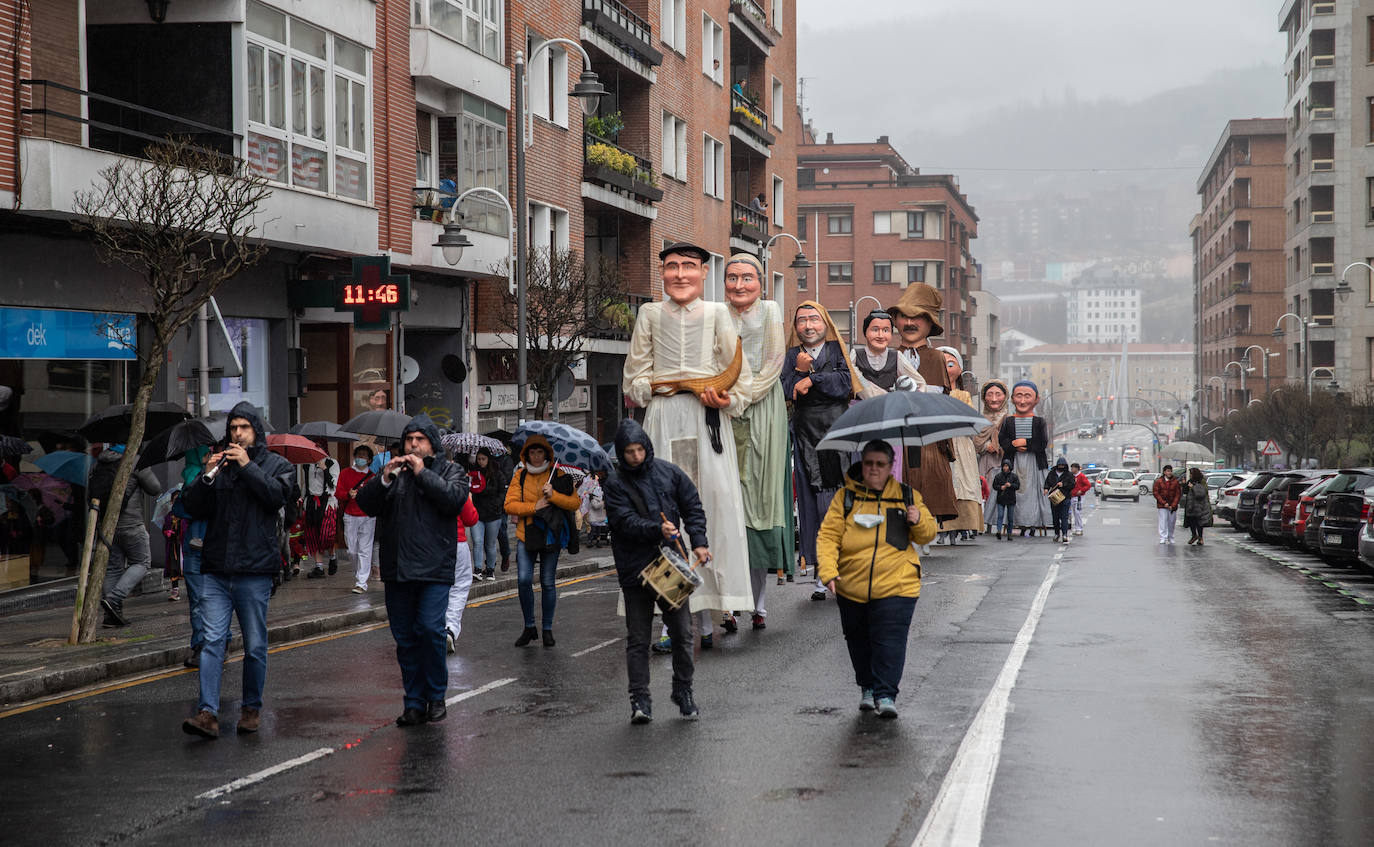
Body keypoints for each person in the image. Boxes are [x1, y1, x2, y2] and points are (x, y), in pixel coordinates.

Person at [622, 241, 753, 648]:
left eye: (689, 267)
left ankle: (710, 618)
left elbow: (741, 380)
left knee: (710, 509)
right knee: (662, 515)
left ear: (703, 273)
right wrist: (655, 386)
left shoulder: (718, 314)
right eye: (673, 266)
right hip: (662, 420)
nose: (680, 274)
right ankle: (670, 623)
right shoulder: (649, 313)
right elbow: (633, 379)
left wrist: (724, 398)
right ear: (662, 273)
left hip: (705, 419)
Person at [180, 402, 295, 739]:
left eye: (244, 427)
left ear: (256, 431)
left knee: (255, 645)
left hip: (255, 571)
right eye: (233, 428)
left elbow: (276, 498)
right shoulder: (220, 467)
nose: (238, 434)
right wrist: (205, 476)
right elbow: (192, 507)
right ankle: (207, 713)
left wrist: (246, 467)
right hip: (216, 569)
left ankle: (251, 709)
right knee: (213, 641)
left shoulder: (277, 465)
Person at [356, 413, 468, 726]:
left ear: (432, 442)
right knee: (405, 639)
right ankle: (414, 702)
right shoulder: (394, 473)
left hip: (434, 569)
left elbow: (453, 500)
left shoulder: (451, 470)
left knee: (431, 631)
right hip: (398, 570)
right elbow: (365, 504)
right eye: (409, 439)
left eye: (420, 439)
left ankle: (435, 696)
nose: (413, 445)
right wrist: (384, 479)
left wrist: (422, 474)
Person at [816, 440, 938, 719]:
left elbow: (927, 534)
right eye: (869, 463)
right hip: (851, 585)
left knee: (889, 640)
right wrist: (828, 571)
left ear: (890, 467)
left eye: (880, 464)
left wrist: (917, 519)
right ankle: (867, 688)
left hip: (898, 583)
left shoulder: (908, 496)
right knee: (858, 640)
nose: (873, 469)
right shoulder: (845, 497)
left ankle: (886, 693)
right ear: (862, 462)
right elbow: (828, 537)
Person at [604, 420, 708, 723]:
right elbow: (623, 522)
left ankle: (683, 691)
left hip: (671, 565)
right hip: (635, 569)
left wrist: (699, 542)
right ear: (621, 454)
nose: (635, 456)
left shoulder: (668, 471)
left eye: (639, 450)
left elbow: (693, 507)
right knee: (638, 638)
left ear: (646, 447)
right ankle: (640, 700)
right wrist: (657, 530)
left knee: (682, 634)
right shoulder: (614, 483)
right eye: (629, 452)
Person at [724, 253, 795, 628]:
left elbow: (774, 361)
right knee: (728, 499)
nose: (739, 285)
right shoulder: (716, 313)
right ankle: (731, 603)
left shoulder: (770, 309)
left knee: (762, 498)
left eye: (747, 278)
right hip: (725, 409)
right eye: (732, 278)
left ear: (761, 282)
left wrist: (745, 396)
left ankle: (760, 603)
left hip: (764, 407)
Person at [783, 300, 862, 601]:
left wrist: (810, 377)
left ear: (825, 323)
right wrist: (798, 374)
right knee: (815, 504)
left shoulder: (835, 351)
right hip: (806, 435)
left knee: (841, 502)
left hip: (837, 430)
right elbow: (784, 387)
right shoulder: (791, 355)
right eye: (801, 320)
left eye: (814, 319)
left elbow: (845, 384)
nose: (808, 325)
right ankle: (821, 572)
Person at [888, 283, 958, 530]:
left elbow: (939, 397)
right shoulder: (888, 355)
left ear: (930, 324)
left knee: (926, 480)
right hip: (894, 436)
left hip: (926, 438)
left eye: (917, 317)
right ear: (895, 321)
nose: (909, 323)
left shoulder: (937, 357)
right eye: (904, 316)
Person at [504, 434, 581, 647]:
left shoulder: (559, 474)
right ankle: (529, 627)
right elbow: (509, 505)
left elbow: (575, 503)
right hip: (525, 534)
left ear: (546, 454)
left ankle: (547, 629)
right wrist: (533, 507)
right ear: (526, 454)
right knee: (523, 580)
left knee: (548, 583)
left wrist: (553, 495)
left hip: (550, 535)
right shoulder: (519, 475)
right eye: (532, 452)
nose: (536, 457)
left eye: (540, 452)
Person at [89, 443, 163, 627]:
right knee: (141, 562)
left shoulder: (99, 463)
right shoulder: (135, 461)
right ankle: (114, 599)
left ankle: (111, 617)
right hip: (131, 525)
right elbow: (155, 488)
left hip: (106, 526)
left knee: (113, 569)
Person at [936, 347, 983, 544]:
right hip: (938, 441)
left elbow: (970, 418)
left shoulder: (963, 394)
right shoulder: (932, 392)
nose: (946, 368)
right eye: (941, 363)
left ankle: (959, 527)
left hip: (960, 443)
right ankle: (940, 528)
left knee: (963, 483)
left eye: (950, 363)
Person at [997, 381, 1052, 537]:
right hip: (1013, 462)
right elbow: (1003, 440)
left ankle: (1033, 522)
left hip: (1034, 464)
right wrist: (1013, 445)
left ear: (1036, 399)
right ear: (1012, 399)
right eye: (1018, 396)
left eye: (1027, 396)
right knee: (1013, 494)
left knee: (1033, 494)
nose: (1022, 401)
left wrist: (1026, 443)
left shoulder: (1039, 421)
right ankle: (1013, 521)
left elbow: (1042, 442)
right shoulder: (1008, 421)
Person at [849, 309, 925, 400]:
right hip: (862, 406)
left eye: (886, 331)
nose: (880, 335)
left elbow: (920, 383)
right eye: (875, 330)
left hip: (887, 404)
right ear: (866, 332)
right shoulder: (856, 354)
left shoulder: (896, 356)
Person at [335, 444, 377, 594]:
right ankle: (359, 574)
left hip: (368, 516)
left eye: (364, 455)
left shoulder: (373, 477)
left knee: (365, 550)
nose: (361, 458)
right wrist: (348, 494)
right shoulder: (346, 473)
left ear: (370, 459)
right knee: (352, 551)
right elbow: (338, 493)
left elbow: (377, 497)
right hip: (350, 516)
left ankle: (361, 582)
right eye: (358, 455)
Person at [446, 492, 480, 654]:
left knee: (434, 587)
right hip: (456, 542)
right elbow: (470, 518)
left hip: (426, 546)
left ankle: (433, 627)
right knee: (459, 588)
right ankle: (450, 628)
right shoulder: (456, 484)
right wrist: (470, 500)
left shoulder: (417, 480)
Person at [974, 381, 1009, 532]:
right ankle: (985, 522)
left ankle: (1004, 521)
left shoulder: (1009, 418)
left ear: (1005, 396)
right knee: (984, 491)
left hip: (1003, 462)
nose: (994, 399)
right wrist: (984, 445)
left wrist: (1002, 446)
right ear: (984, 397)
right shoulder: (979, 419)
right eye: (990, 394)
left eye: (998, 394)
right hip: (986, 462)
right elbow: (975, 439)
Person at [469, 447, 507, 580]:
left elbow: (502, 492)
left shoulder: (497, 473)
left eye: (483, 459)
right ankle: (478, 569)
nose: (480, 462)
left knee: (490, 544)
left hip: (493, 514)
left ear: (488, 459)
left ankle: (490, 569)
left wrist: (497, 504)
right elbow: (470, 489)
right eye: (478, 459)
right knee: (477, 542)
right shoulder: (473, 472)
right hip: (478, 513)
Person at [302, 454, 339, 579]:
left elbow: (333, 485)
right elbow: (306, 484)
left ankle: (333, 556)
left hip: (327, 502)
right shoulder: (307, 464)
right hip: (311, 503)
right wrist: (302, 499)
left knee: (327, 535)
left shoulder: (332, 463)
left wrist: (325, 469)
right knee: (314, 535)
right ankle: (319, 567)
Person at [161, 490, 187, 601]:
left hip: (184, 545)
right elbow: (165, 528)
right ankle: (175, 591)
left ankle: (191, 590)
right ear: (171, 502)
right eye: (174, 500)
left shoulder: (186, 514)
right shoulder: (169, 516)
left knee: (186, 567)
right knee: (173, 567)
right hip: (173, 546)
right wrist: (167, 532)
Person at [1044, 457, 1075, 544]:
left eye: (1063, 465)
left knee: (1064, 517)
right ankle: (1057, 533)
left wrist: (1063, 484)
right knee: (1055, 517)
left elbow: (1072, 484)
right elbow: (1047, 483)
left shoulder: (1069, 475)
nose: (1061, 467)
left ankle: (1064, 534)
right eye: (1059, 465)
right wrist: (1046, 489)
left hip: (1065, 498)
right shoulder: (1052, 473)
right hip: (1054, 498)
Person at [1182, 467, 1213, 546]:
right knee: (1191, 521)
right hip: (1191, 506)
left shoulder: (1202, 481)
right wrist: (1184, 484)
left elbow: (1201, 493)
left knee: (1199, 523)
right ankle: (1194, 535)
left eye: (1191, 474)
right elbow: (1185, 491)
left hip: (1200, 506)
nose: (1190, 475)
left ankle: (1200, 537)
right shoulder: (1191, 481)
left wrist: (1193, 487)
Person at [1152, 465, 1182, 545]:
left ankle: (1171, 537)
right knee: (1163, 521)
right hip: (1162, 505)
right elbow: (1156, 493)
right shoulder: (1159, 481)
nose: (1169, 473)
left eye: (1170, 471)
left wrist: (1173, 505)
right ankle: (1163, 537)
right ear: (1164, 472)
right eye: (1168, 471)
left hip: (1172, 506)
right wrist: (1164, 503)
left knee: (1171, 522)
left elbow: (1178, 494)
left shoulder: (1175, 481)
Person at [991, 459, 1018, 539]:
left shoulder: (1014, 476)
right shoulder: (998, 476)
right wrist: (1000, 487)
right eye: (1004, 466)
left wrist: (1010, 485)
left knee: (1010, 517)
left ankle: (1009, 533)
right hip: (1001, 498)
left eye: (1006, 466)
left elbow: (1018, 485)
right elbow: (994, 486)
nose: (1005, 468)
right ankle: (999, 531)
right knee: (1000, 515)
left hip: (1011, 499)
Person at [1069, 462, 1091, 536]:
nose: (1072, 469)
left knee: (1078, 512)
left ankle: (1079, 528)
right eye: (1071, 468)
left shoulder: (1081, 476)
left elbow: (1088, 485)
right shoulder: (1071, 476)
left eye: (1073, 468)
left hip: (1079, 497)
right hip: (1072, 496)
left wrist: (1081, 490)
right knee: (1074, 513)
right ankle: (1076, 527)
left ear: (1077, 469)